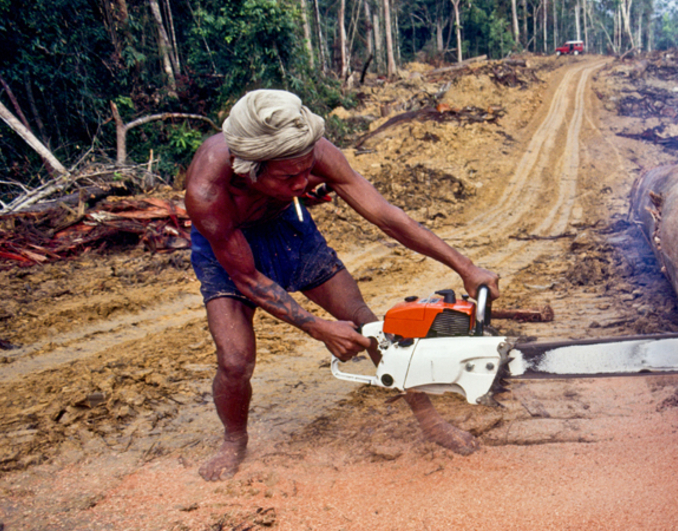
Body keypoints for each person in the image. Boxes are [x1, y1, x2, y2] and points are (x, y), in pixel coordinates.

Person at [184, 89, 499, 481]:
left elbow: (386, 216)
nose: (304, 182)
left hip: (289, 228)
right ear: (250, 168)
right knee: (234, 360)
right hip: (228, 244)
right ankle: (234, 439)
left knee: (371, 327)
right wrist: (315, 327)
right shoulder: (207, 191)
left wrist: (464, 266)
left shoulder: (314, 152)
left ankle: (430, 421)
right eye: (289, 176)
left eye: (307, 170)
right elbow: (247, 277)